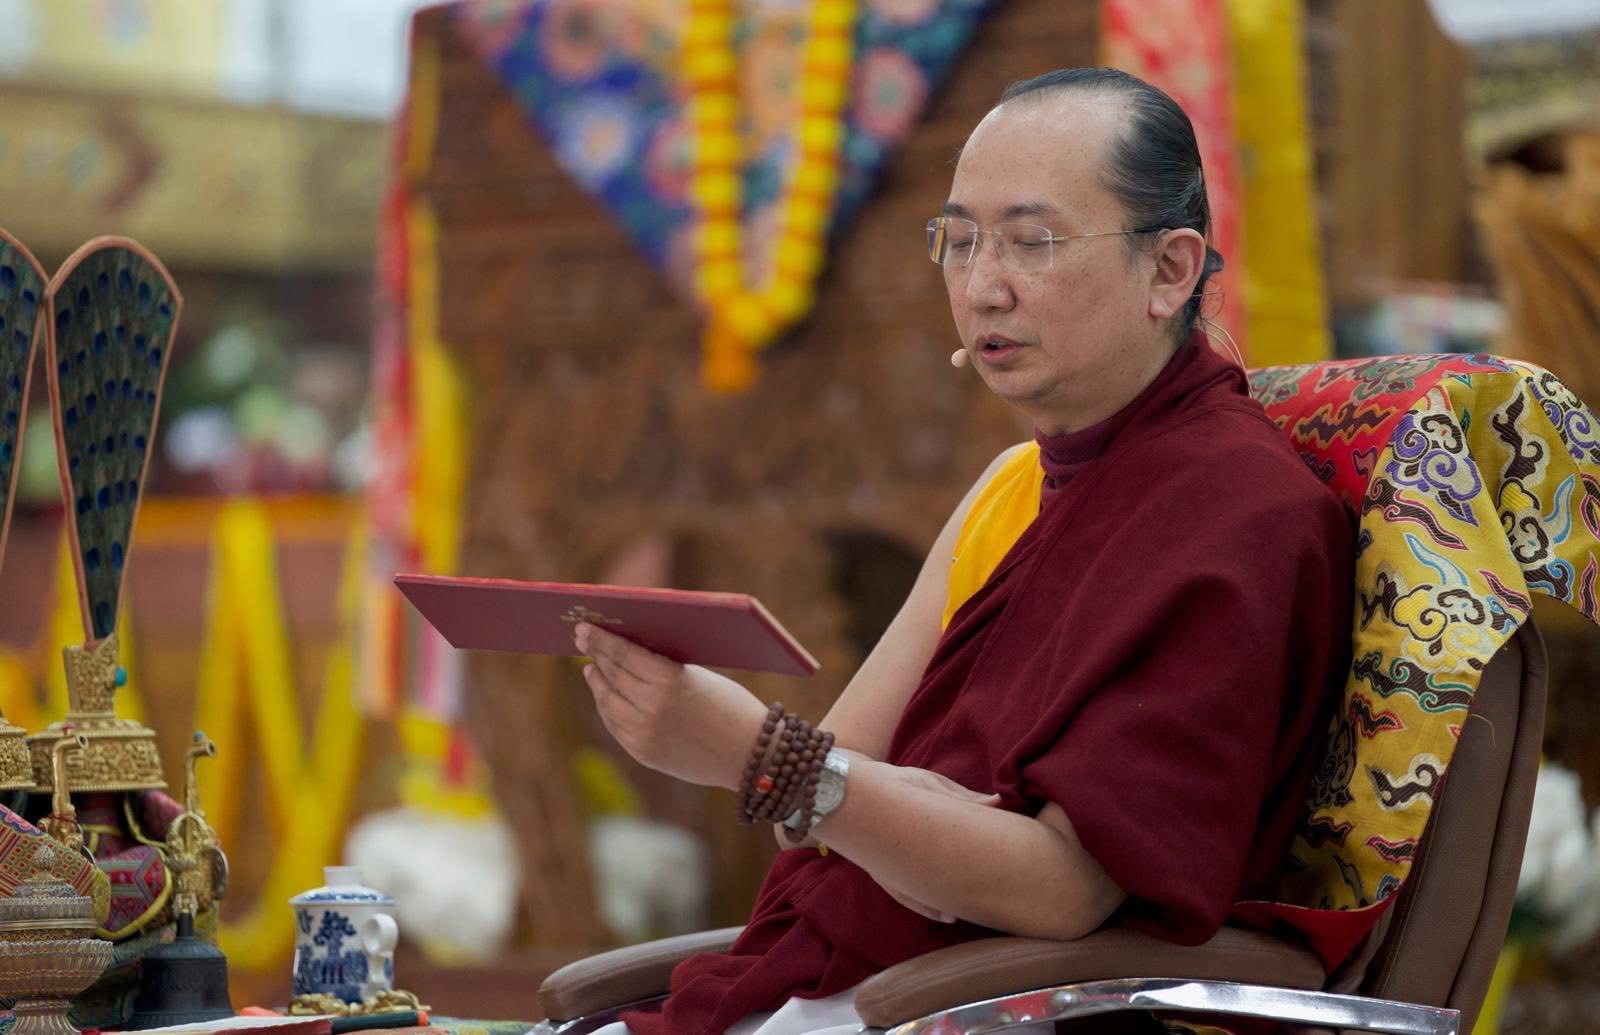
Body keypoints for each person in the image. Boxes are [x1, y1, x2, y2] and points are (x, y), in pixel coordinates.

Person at [574, 67, 1354, 1035]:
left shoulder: (1239, 512)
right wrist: (850, 797)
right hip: (839, 979)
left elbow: (1061, 889)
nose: (983, 286)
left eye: (1033, 241)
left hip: (982, 1009)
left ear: (1170, 270)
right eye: (960, 239)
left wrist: (761, 756)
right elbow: (818, 813)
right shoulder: (1012, 486)